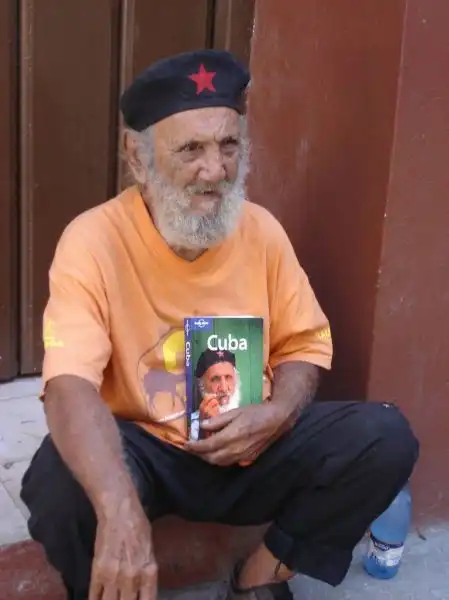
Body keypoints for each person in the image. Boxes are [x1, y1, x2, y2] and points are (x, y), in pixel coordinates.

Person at [20, 49, 419, 600]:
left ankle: (257, 578)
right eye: (191, 149)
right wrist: (118, 508)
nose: (215, 170)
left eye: (228, 145)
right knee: (56, 483)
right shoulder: (92, 241)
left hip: (253, 446)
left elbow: (304, 345)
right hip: (148, 455)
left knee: (385, 437)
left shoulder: (261, 231)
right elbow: (69, 385)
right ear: (137, 158)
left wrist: (278, 413)